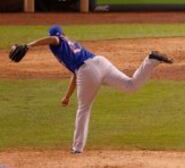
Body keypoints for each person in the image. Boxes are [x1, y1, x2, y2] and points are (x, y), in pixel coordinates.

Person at [20, 25, 173, 153]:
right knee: (131, 85)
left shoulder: (58, 41)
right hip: (100, 62)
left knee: (84, 108)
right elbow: (75, 75)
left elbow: (53, 40)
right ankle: (151, 60)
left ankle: (77, 148)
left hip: (87, 70)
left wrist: (29, 45)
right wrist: (67, 96)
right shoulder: (71, 45)